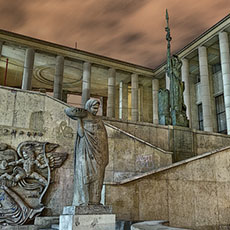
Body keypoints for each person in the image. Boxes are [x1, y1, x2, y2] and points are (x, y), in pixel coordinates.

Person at [65, 99, 109, 206]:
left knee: (98, 177)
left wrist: (105, 155)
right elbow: (69, 111)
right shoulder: (83, 118)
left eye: (97, 108)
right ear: (88, 106)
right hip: (85, 150)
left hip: (98, 153)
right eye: (94, 107)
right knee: (84, 174)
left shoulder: (99, 121)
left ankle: (95, 201)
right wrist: (80, 116)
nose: (95, 110)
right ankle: (84, 201)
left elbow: (104, 139)